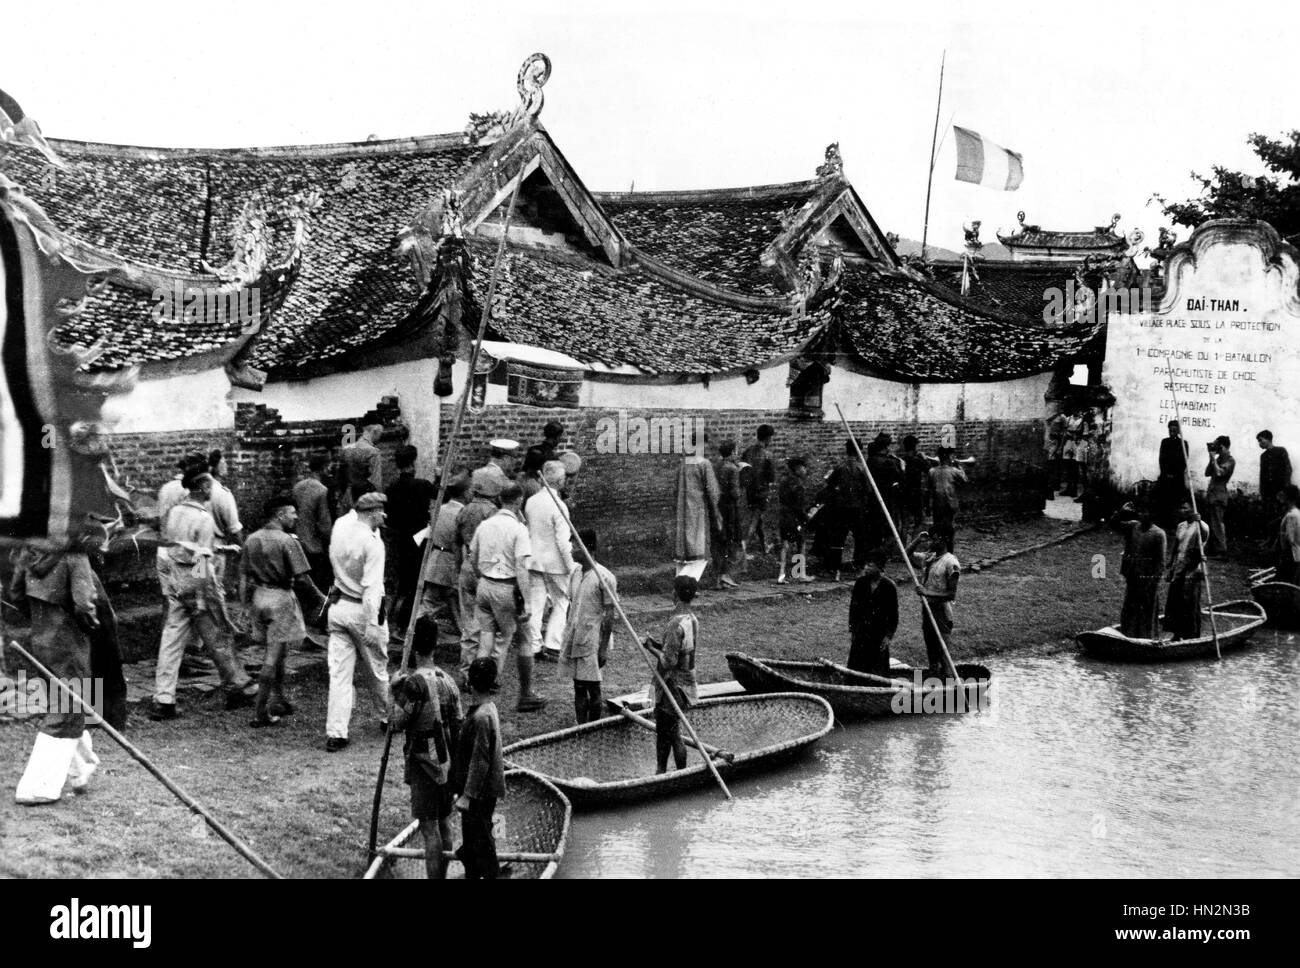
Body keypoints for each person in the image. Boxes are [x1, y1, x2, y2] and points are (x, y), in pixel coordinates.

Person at [150, 468, 256, 719]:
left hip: (176, 580)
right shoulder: (205, 518)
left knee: (171, 641)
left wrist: (220, 548)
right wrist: (200, 596)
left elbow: (178, 546)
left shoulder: (175, 511)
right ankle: (238, 687)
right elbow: (200, 558)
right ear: (203, 488)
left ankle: (163, 699)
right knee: (218, 635)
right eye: (210, 486)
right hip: (198, 583)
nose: (212, 491)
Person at [10, 539, 103, 805]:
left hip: (41, 638)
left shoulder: (30, 549)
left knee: (67, 704)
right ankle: (36, 787)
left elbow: (16, 594)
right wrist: (93, 626)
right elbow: (84, 604)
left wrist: (42, 620)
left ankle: (81, 771)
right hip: (68, 640)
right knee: (67, 709)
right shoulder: (75, 555)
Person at [242, 494, 326, 727]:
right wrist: (321, 597)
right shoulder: (288, 542)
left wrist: (244, 605)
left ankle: (279, 699)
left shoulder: (252, 539)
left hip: (259, 596)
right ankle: (260, 712)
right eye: (292, 512)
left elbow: (243, 576)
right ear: (279, 515)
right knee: (272, 656)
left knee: (278, 651)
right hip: (280, 598)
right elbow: (302, 578)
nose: (296, 516)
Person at [391, 629, 462, 880]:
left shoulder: (414, 684)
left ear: (413, 650)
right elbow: (458, 723)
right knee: (444, 821)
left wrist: (394, 692)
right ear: (435, 648)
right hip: (446, 761)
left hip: (424, 763)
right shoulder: (449, 681)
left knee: (429, 828)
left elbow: (397, 722)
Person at [467, 482, 545, 711]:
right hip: (507, 588)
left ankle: (477, 695)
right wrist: (528, 602)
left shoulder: (485, 525)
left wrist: (482, 576)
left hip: (485, 585)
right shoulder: (518, 529)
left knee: (486, 641)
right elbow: (521, 567)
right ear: (518, 502)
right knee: (524, 640)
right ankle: (526, 694)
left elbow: (473, 557)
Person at [325, 491, 391, 751]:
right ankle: (388, 717)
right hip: (363, 611)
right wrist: (373, 624)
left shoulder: (340, 526)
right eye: (381, 512)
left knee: (340, 674)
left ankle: (336, 732)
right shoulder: (373, 544)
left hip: (338, 607)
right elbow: (372, 587)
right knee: (376, 669)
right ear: (372, 512)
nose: (383, 516)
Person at [451, 657, 506, 880]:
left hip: (480, 793)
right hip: (480, 790)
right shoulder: (485, 709)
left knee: (483, 845)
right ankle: (470, 866)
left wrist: (467, 796)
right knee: (473, 842)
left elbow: (480, 760)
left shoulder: (482, 716)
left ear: (470, 683)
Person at [642, 575, 700, 774]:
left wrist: (650, 648)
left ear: (675, 594)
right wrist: (658, 645)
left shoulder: (675, 624)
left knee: (668, 733)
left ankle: (663, 772)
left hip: (672, 684)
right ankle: (675, 772)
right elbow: (677, 651)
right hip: (687, 682)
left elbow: (668, 661)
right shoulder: (692, 620)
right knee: (674, 731)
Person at [559, 529, 617, 724]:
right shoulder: (575, 573)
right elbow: (571, 604)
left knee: (592, 686)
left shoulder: (604, 577)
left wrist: (603, 647)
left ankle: (593, 727)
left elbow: (610, 614)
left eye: (574, 546)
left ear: (587, 548)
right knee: (578, 686)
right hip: (576, 637)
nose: (571, 551)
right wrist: (567, 633)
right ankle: (581, 727)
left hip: (592, 639)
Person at [385, 444, 438, 638]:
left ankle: (389, 623)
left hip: (399, 540)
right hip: (418, 538)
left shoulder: (391, 488)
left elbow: (389, 517)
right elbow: (443, 495)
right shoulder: (422, 485)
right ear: (413, 463)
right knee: (414, 584)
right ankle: (402, 625)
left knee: (400, 585)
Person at [524, 460, 576, 661]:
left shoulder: (531, 501)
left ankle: (534, 645)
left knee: (536, 604)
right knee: (561, 602)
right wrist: (570, 566)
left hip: (535, 560)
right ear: (560, 481)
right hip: (556, 564)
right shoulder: (559, 505)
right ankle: (553, 644)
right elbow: (563, 541)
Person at [455, 470, 502, 684]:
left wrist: (461, 566)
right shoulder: (493, 512)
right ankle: (483, 674)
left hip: (467, 564)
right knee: (488, 625)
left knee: (469, 624)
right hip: (487, 569)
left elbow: (457, 542)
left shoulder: (464, 510)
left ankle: (465, 672)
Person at [417, 472, 469, 639]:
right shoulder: (462, 513)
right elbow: (459, 543)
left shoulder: (440, 509)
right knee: (449, 603)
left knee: (432, 602)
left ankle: (416, 632)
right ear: (464, 492)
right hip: (451, 561)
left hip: (435, 558)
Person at [906, 526, 960, 674]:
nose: (930, 542)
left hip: (941, 611)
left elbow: (951, 594)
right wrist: (917, 540)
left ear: (942, 540)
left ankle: (949, 685)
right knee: (931, 651)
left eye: (934, 539)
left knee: (944, 653)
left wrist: (927, 592)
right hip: (927, 609)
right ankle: (934, 682)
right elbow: (905, 555)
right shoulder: (929, 557)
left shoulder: (951, 562)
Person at [1111, 500, 1167, 639]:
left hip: (1148, 580)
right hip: (1132, 575)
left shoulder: (1159, 534)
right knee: (1130, 608)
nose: (1142, 515)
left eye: (1146, 512)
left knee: (1146, 610)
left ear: (1153, 514)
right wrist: (1121, 512)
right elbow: (1112, 525)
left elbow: (1160, 562)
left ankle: (1147, 638)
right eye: (1140, 512)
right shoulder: (1133, 526)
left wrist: (1152, 582)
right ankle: (1128, 635)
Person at [673, 438, 722, 581]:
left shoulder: (683, 464)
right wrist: (717, 513)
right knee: (700, 556)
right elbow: (713, 492)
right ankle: (684, 587)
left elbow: (675, 489)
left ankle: (680, 582)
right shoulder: (704, 464)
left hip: (683, 514)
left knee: (684, 555)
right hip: (698, 513)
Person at [822, 440, 871, 581]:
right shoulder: (861, 469)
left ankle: (836, 571)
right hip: (856, 509)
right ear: (858, 452)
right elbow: (867, 490)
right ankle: (859, 568)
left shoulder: (839, 468)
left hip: (841, 509)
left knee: (839, 539)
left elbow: (830, 486)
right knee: (860, 539)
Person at [848, 547, 898, 677]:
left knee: (878, 666)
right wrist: (853, 630)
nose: (866, 567)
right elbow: (853, 609)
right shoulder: (860, 583)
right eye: (866, 564)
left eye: (870, 565)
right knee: (856, 665)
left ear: (879, 566)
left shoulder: (889, 587)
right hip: (861, 631)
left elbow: (893, 615)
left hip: (878, 633)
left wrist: (888, 636)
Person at [1165, 501, 1210, 641]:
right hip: (1178, 566)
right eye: (1181, 507)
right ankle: (1177, 633)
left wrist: (1199, 520)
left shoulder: (1201, 527)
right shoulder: (1181, 526)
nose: (1182, 510)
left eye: (1185, 508)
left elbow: (1204, 536)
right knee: (1175, 600)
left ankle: (1192, 636)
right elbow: (1176, 545)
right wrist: (1171, 564)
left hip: (1192, 568)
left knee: (1189, 602)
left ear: (1193, 510)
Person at [293, 453, 335, 599]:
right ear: (323, 468)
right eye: (328, 466)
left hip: (299, 541)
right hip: (314, 545)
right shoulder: (322, 490)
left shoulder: (298, 487)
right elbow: (325, 523)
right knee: (318, 586)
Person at [776, 457, 814, 584]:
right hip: (795, 518)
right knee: (801, 543)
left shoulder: (783, 481)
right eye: (803, 468)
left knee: (785, 545)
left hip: (784, 516)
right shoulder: (798, 485)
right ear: (797, 469)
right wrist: (807, 517)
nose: (805, 470)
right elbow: (798, 507)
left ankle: (781, 575)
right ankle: (799, 573)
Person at [713, 440, 744, 589]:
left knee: (719, 542)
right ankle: (726, 575)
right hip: (730, 509)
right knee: (731, 542)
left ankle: (718, 578)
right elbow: (735, 493)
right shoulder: (732, 468)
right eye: (735, 452)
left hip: (718, 507)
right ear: (731, 453)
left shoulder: (716, 466)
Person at [741, 425, 776, 554]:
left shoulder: (747, 451)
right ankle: (742, 549)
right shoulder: (768, 455)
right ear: (767, 438)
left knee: (757, 519)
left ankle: (764, 546)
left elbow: (743, 471)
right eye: (770, 438)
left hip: (750, 491)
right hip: (761, 492)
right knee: (755, 520)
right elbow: (771, 478)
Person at [866, 433, 903, 550]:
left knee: (875, 530)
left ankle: (873, 554)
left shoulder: (870, 460)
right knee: (891, 531)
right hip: (886, 498)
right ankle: (879, 557)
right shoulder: (889, 462)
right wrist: (901, 467)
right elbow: (899, 477)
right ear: (886, 447)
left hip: (873, 499)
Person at [338, 420, 384, 514]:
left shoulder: (347, 450)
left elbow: (341, 477)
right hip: (367, 499)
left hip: (350, 497)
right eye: (380, 434)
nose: (380, 437)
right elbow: (376, 481)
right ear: (375, 432)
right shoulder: (373, 452)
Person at [1155, 420, 1190, 531]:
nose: (1172, 432)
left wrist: (1175, 474)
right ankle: (1163, 524)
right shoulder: (1164, 442)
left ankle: (1173, 525)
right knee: (1164, 500)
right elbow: (1162, 459)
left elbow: (1184, 461)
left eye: (1174, 430)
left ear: (1178, 431)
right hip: (1165, 477)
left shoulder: (1183, 444)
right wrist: (1166, 473)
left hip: (1177, 478)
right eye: (1170, 430)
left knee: (1176, 501)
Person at [900, 435, 936, 540]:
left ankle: (903, 547)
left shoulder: (901, 460)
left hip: (904, 494)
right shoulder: (918, 460)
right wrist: (925, 459)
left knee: (905, 523)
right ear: (914, 446)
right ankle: (913, 544)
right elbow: (930, 471)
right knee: (918, 521)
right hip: (916, 494)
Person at [1204, 435, 1234, 557]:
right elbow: (1207, 473)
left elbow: (1219, 473)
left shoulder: (1230, 460)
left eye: (1216, 445)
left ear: (1221, 446)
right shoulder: (1218, 459)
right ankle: (1213, 549)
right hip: (1212, 495)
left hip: (1219, 496)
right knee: (1211, 523)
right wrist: (1211, 458)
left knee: (1217, 523)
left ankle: (1222, 550)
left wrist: (1213, 458)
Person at [927, 448, 968, 537]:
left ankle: (939, 547)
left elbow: (929, 489)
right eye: (951, 456)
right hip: (950, 505)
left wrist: (927, 506)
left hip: (936, 505)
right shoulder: (954, 470)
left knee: (938, 528)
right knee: (949, 528)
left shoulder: (932, 471)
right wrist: (959, 466)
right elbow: (965, 480)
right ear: (948, 457)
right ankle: (948, 549)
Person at [522, 421, 564, 499]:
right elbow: (554, 481)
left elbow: (524, 469)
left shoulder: (532, 449)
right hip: (541, 491)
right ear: (557, 437)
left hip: (526, 488)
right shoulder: (552, 457)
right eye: (560, 436)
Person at [1257, 430, 1292, 523]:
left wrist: (1285, 490)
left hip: (1281, 492)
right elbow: (1262, 476)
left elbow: (1288, 470)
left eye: (1261, 440)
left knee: (1282, 517)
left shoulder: (1281, 451)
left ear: (1268, 439)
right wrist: (1262, 493)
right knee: (1270, 519)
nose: (1259, 443)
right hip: (1268, 495)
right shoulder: (1263, 456)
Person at [1276, 485, 1300, 585]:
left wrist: (1283, 554)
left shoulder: (1292, 515)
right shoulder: (1296, 513)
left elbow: (1290, 539)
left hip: (1291, 556)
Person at [1060, 411, 1085, 497]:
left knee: (1075, 466)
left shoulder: (1082, 419)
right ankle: (1068, 488)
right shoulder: (1068, 419)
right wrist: (1062, 445)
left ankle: (1074, 489)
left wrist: (1077, 436)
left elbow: (1083, 432)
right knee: (1068, 466)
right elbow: (1065, 432)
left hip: (1077, 443)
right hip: (1068, 442)